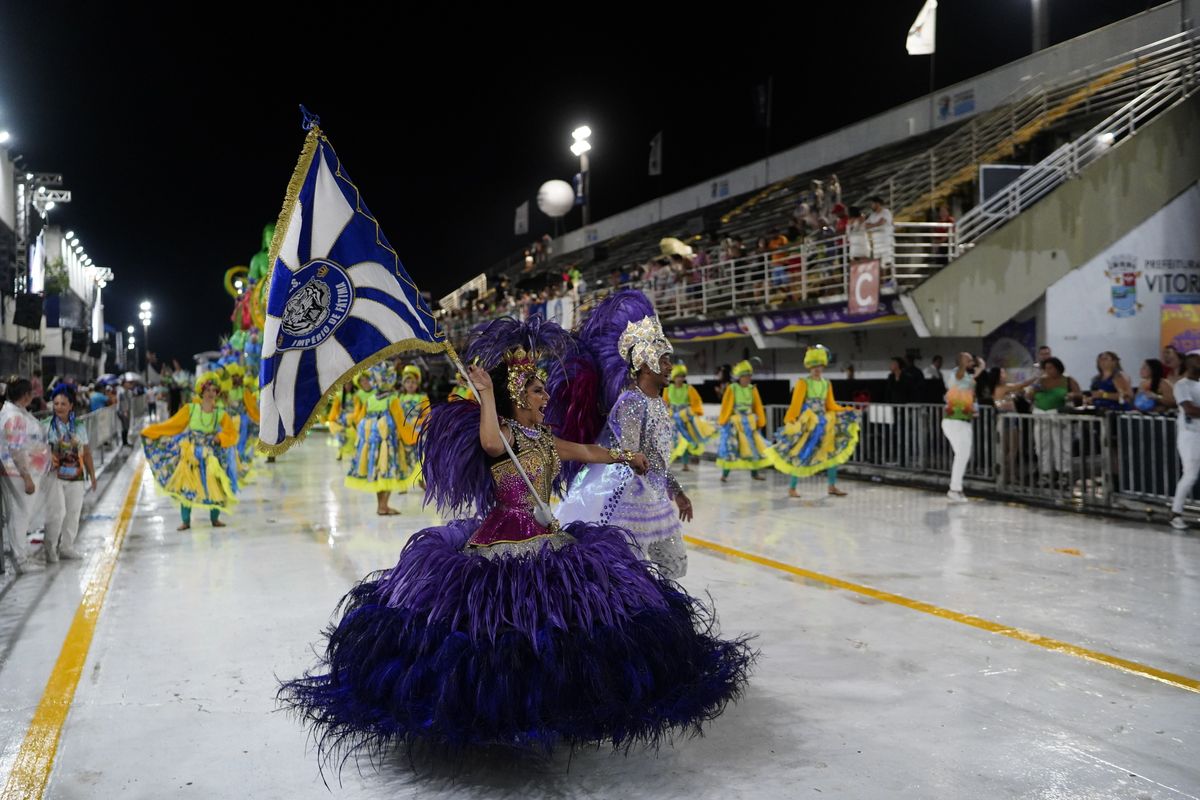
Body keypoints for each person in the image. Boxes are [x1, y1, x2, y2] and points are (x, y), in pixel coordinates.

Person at [278, 316, 754, 764]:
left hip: (548, 537)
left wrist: (626, 455)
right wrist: (486, 393)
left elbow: (585, 450)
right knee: (504, 625)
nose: (547, 395)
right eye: (539, 389)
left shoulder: (543, 438)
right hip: (502, 539)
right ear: (519, 395)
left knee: (562, 623)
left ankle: (559, 705)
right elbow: (487, 442)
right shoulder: (504, 434)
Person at [553, 291, 695, 578]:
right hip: (627, 499)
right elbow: (635, 454)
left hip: (653, 497)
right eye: (664, 359)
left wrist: (675, 491)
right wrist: (668, 489)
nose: (669, 366)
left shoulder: (656, 402)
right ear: (644, 363)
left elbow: (655, 456)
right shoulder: (630, 402)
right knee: (628, 572)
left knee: (674, 565)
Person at [141, 372, 239, 531]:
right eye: (208, 390)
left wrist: (220, 438)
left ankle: (215, 519)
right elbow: (172, 425)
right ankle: (185, 521)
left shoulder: (220, 413)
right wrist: (152, 431)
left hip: (211, 455)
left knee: (215, 485)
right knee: (187, 486)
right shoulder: (191, 409)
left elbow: (232, 434)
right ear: (202, 391)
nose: (211, 393)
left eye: (214, 390)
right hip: (191, 453)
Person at [771, 346, 859, 498]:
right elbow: (796, 404)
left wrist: (845, 409)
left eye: (819, 366)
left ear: (823, 366)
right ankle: (792, 488)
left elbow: (830, 405)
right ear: (809, 367)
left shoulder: (827, 383)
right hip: (809, 423)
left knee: (831, 452)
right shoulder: (803, 382)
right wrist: (792, 420)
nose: (816, 369)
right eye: (813, 366)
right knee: (803, 452)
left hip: (825, 422)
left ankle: (832, 486)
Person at [345, 361, 412, 515]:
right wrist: (411, 438)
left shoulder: (371, 400)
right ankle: (383, 506)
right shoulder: (392, 399)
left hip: (373, 445)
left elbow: (360, 420)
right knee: (388, 472)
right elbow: (401, 422)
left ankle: (381, 505)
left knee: (378, 473)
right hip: (389, 444)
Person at [41, 385, 96, 561]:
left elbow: (86, 452)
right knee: (57, 512)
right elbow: (37, 451)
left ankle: (67, 546)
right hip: (54, 476)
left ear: (71, 405)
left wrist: (92, 474)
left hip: (76, 475)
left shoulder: (79, 426)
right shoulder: (45, 426)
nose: (58, 407)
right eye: (55, 403)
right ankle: (50, 548)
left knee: (73, 512)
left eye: (63, 403)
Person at [0, 379, 51, 568]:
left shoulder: (16, 412)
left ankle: (20, 554)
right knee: (20, 514)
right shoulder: (15, 417)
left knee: (20, 513)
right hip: (17, 474)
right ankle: (20, 559)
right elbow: (16, 449)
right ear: (26, 395)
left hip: (18, 471)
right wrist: (27, 477)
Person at [1028, 357, 1082, 484]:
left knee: (1062, 445)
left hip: (1059, 417)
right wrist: (1033, 390)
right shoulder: (1040, 380)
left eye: (1051, 368)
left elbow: (1079, 395)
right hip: (1042, 417)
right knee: (1042, 446)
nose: (1048, 370)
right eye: (1046, 368)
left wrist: (1072, 396)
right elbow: (1029, 396)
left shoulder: (1068, 380)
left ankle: (1064, 472)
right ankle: (1045, 472)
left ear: (1058, 368)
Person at [716, 361, 773, 482]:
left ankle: (755, 473)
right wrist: (724, 420)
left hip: (750, 423)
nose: (748, 378)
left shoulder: (753, 389)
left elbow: (758, 406)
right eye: (745, 376)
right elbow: (726, 405)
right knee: (733, 448)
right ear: (739, 377)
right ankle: (725, 474)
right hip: (735, 424)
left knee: (753, 447)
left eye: (749, 376)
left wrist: (760, 421)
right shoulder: (732, 388)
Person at [941, 353, 983, 503]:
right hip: (955, 421)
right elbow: (961, 375)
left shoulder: (968, 379)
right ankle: (955, 489)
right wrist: (965, 363)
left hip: (963, 420)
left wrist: (981, 368)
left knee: (962, 455)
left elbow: (972, 384)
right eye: (967, 360)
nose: (970, 362)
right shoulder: (956, 374)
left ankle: (955, 489)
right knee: (961, 455)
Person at [663, 363, 716, 470]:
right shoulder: (668, 389)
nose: (680, 379)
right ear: (674, 377)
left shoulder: (689, 388)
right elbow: (664, 403)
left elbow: (696, 403)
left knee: (686, 441)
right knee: (672, 442)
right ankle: (668, 464)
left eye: (682, 376)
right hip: (673, 420)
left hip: (686, 419)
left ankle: (685, 464)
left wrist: (690, 412)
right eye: (678, 376)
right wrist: (667, 414)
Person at [1170, 353, 1200, 529]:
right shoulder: (1182, 385)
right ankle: (1176, 513)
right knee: (1190, 474)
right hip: (1191, 435)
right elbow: (1189, 409)